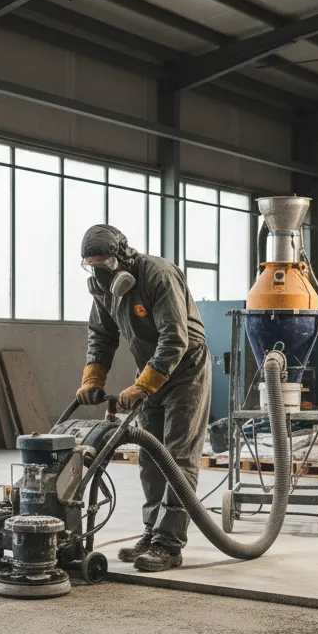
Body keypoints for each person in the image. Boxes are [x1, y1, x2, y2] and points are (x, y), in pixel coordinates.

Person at [75, 224, 211, 572]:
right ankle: (152, 533)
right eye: (92, 266)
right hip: (150, 374)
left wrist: (143, 385)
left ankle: (169, 544)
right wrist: (93, 377)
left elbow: (175, 338)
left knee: (178, 458)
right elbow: (101, 336)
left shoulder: (157, 275)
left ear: (122, 257)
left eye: (104, 264)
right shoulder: (104, 291)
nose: (100, 273)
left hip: (186, 371)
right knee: (151, 458)